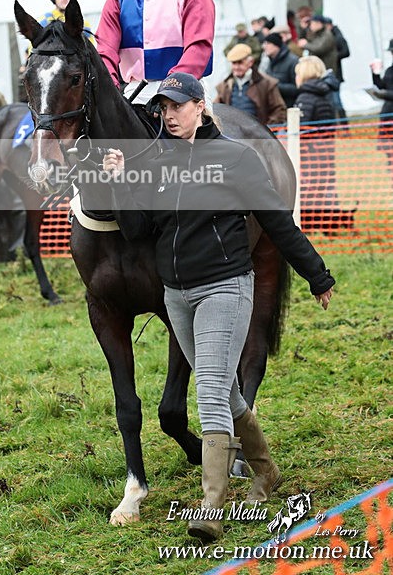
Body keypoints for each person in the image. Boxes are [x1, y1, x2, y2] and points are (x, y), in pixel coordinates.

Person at [102, 72, 334, 542]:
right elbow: (137, 229)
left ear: (200, 106)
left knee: (207, 388)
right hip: (177, 296)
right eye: (163, 108)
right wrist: (121, 183)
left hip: (225, 286)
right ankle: (265, 471)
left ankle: (212, 504)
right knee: (225, 389)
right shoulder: (158, 165)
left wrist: (316, 274)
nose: (168, 115)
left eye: (177, 106)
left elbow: (277, 222)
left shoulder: (235, 157)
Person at [294, 57, 350, 234]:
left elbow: (301, 131)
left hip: (311, 154)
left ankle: (313, 224)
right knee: (325, 187)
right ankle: (326, 224)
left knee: (313, 189)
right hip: (325, 151)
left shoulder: (306, 98)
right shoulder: (324, 95)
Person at [214, 43, 286, 125]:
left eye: (240, 63)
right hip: (232, 134)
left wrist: (266, 130)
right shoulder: (225, 86)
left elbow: (279, 110)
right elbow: (215, 109)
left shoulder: (266, 83)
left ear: (250, 62)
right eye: (234, 63)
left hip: (257, 135)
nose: (236, 67)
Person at [370, 40, 393, 174]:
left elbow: (385, 91)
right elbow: (381, 85)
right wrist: (375, 73)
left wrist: (385, 94)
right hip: (388, 112)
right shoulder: (390, 70)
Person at [262, 32, 299, 108]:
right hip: (275, 107)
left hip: (289, 106)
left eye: (268, 43)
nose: (264, 46)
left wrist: (274, 85)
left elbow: (297, 88)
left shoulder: (293, 61)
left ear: (276, 45)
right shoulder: (270, 61)